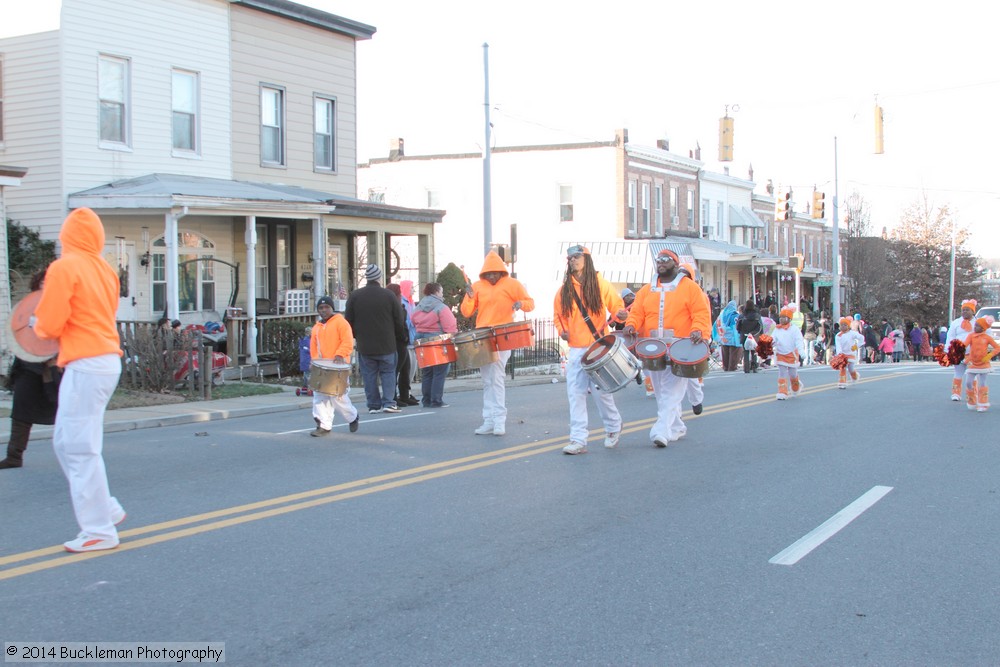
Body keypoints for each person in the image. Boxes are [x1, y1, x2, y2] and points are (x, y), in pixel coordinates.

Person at [32, 208, 126, 552]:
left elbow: (51, 323)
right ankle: (106, 510)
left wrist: (35, 326)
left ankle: (99, 529)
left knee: (79, 448)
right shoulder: (104, 269)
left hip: (85, 362)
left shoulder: (64, 267)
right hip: (103, 360)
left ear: (66, 235)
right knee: (65, 442)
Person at [623, 249, 711, 447]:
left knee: (671, 392)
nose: (661, 262)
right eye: (658, 260)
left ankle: (660, 431)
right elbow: (637, 313)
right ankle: (677, 427)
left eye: (666, 259)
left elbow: (701, 313)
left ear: (675, 263)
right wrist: (631, 325)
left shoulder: (689, 288)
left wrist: (698, 330)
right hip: (653, 348)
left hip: (680, 347)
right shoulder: (647, 289)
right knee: (662, 392)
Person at [554, 245, 626, 454]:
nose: (572, 260)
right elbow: (558, 315)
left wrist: (622, 314)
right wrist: (562, 331)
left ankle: (613, 426)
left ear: (586, 259)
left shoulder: (600, 284)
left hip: (597, 346)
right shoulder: (564, 290)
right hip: (576, 349)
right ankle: (578, 439)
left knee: (600, 392)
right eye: (569, 258)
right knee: (575, 394)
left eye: (576, 257)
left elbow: (617, 306)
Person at [460, 250, 535, 437]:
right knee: (487, 380)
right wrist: (469, 297)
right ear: (484, 273)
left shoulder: (512, 284)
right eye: (489, 273)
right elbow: (466, 312)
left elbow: (530, 303)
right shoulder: (477, 286)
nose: (492, 276)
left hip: (503, 335)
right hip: (483, 336)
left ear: (501, 271)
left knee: (497, 377)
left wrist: (520, 304)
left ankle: (499, 420)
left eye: (495, 272)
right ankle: (489, 420)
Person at [344, 264, 407, 414]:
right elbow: (399, 320)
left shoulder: (355, 296)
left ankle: (373, 404)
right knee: (388, 373)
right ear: (379, 277)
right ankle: (389, 402)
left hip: (365, 344)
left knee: (369, 375)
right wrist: (398, 335)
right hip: (387, 343)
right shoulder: (389, 296)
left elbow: (348, 321)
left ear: (367, 278)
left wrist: (357, 336)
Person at [308, 296, 359, 436]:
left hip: (338, 366)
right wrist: (313, 361)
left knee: (338, 396)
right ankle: (323, 425)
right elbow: (313, 346)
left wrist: (340, 354)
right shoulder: (317, 327)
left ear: (332, 308)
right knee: (320, 396)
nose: (324, 310)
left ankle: (352, 417)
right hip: (321, 366)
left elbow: (348, 341)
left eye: (326, 307)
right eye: (321, 308)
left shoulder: (341, 323)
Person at [411, 282, 458, 408]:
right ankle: (436, 400)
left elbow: (413, 320)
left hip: (421, 340)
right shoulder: (441, 307)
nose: (442, 294)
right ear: (436, 292)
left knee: (427, 372)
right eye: (441, 291)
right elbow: (450, 326)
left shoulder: (418, 306)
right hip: (437, 340)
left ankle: (426, 400)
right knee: (440, 371)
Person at [386, 282, 419, 406]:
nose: (413, 291)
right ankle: (394, 396)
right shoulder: (398, 305)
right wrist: (404, 337)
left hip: (405, 340)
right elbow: (400, 324)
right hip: (399, 341)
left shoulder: (408, 303)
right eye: (411, 288)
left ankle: (405, 394)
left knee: (406, 368)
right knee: (396, 369)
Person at [963, 316, 999, 412]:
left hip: (983, 364)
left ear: (983, 328)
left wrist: (989, 355)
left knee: (982, 383)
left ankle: (983, 403)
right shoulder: (971, 336)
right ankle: (972, 399)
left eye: (977, 326)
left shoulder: (987, 337)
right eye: (975, 325)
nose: (975, 327)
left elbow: (997, 347)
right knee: (968, 382)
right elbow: (964, 345)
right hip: (973, 363)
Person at [945, 299, 977, 401]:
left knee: (972, 374)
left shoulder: (978, 322)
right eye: (963, 310)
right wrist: (948, 350)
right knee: (958, 373)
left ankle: (973, 394)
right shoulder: (956, 323)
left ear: (973, 311)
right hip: (958, 353)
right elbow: (950, 337)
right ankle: (956, 393)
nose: (964, 312)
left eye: (967, 310)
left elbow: (986, 335)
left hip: (973, 353)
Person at [771, 307, 804, 400]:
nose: (781, 319)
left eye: (784, 317)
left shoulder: (794, 329)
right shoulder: (777, 329)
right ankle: (782, 392)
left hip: (791, 354)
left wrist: (801, 351)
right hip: (780, 354)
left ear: (789, 319)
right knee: (782, 373)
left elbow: (799, 340)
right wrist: (768, 344)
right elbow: (773, 339)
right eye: (780, 317)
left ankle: (796, 385)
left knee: (792, 374)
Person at [834, 316, 865, 388]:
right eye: (842, 325)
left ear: (848, 326)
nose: (843, 326)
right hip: (842, 354)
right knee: (842, 368)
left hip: (851, 353)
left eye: (845, 325)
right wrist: (839, 354)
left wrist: (856, 346)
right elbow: (838, 345)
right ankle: (842, 383)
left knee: (851, 368)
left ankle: (855, 376)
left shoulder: (852, 333)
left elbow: (861, 338)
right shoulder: (838, 335)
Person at [712, 300, 741, 371]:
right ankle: (732, 367)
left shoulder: (721, 315)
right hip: (733, 338)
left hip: (723, 338)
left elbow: (715, 325)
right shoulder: (735, 315)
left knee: (725, 352)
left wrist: (717, 336)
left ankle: (725, 366)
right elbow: (737, 326)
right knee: (734, 353)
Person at [736, 299, 763, 373]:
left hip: (744, 334)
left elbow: (738, 326)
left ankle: (746, 368)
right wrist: (756, 333)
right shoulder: (757, 316)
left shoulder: (742, 316)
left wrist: (740, 331)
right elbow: (760, 326)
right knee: (754, 351)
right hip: (754, 335)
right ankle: (754, 367)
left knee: (746, 351)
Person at [297, 326, 313, 396]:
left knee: (306, 374)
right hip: (309, 361)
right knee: (310, 374)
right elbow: (312, 351)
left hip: (303, 361)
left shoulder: (302, 341)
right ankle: (310, 386)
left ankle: (305, 386)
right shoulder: (309, 341)